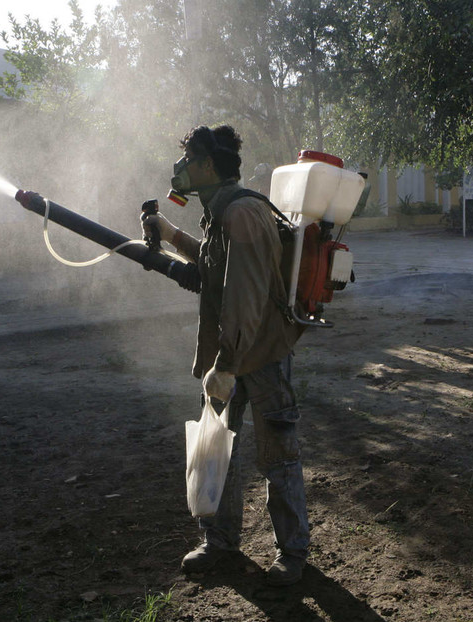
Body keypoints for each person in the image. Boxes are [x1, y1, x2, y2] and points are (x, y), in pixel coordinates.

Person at [142, 125, 309, 586]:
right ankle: (219, 542)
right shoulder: (219, 213)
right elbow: (216, 267)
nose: (182, 169)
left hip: (259, 355)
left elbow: (247, 294)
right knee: (214, 449)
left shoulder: (243, 214)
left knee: (278, 452)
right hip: (229, 356)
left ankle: (292, 553)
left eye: (190, 160)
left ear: (208, 167)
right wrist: (170, 234)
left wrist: (228, 364)